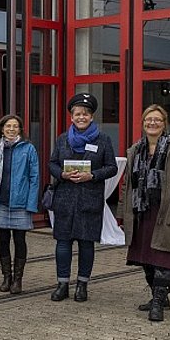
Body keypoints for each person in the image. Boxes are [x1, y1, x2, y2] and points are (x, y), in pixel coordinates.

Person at [117, 105, 170, 322]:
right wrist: (122, 213)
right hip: (142, 212)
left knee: (164, 257)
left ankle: (158, 302)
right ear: (143, 123)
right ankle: (160, 297)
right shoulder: (135, 149)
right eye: (148, 120)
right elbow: (127, 184)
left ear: (164, 124)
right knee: (145, 257)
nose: (152, 123)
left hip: (166, 212)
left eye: (157, 120)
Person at [47, 91, 118, 303]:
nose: (81, 117)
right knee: (63, 243)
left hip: (89, 199)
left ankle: (82, 285)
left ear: (91, 116)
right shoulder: (61, 140)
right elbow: (52, 163)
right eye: (77, 113)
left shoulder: (103, 140)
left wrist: (93, 175)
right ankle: (62, 284)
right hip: (65, 199)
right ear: (71, 116)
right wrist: (61, 174)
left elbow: (112, 167)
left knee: (86, 244)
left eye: (85, 114)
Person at [0, 115, 40, 294]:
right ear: (2, 129)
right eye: (8, 126)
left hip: (21, 202)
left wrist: (31, 204)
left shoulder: (29, 148)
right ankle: (6, 277)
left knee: (19, 240)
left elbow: (35, 178)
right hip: (0, 201)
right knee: (2, 239)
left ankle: (18, 280)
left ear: (20, 130)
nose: (11, 129)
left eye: (15, 127)